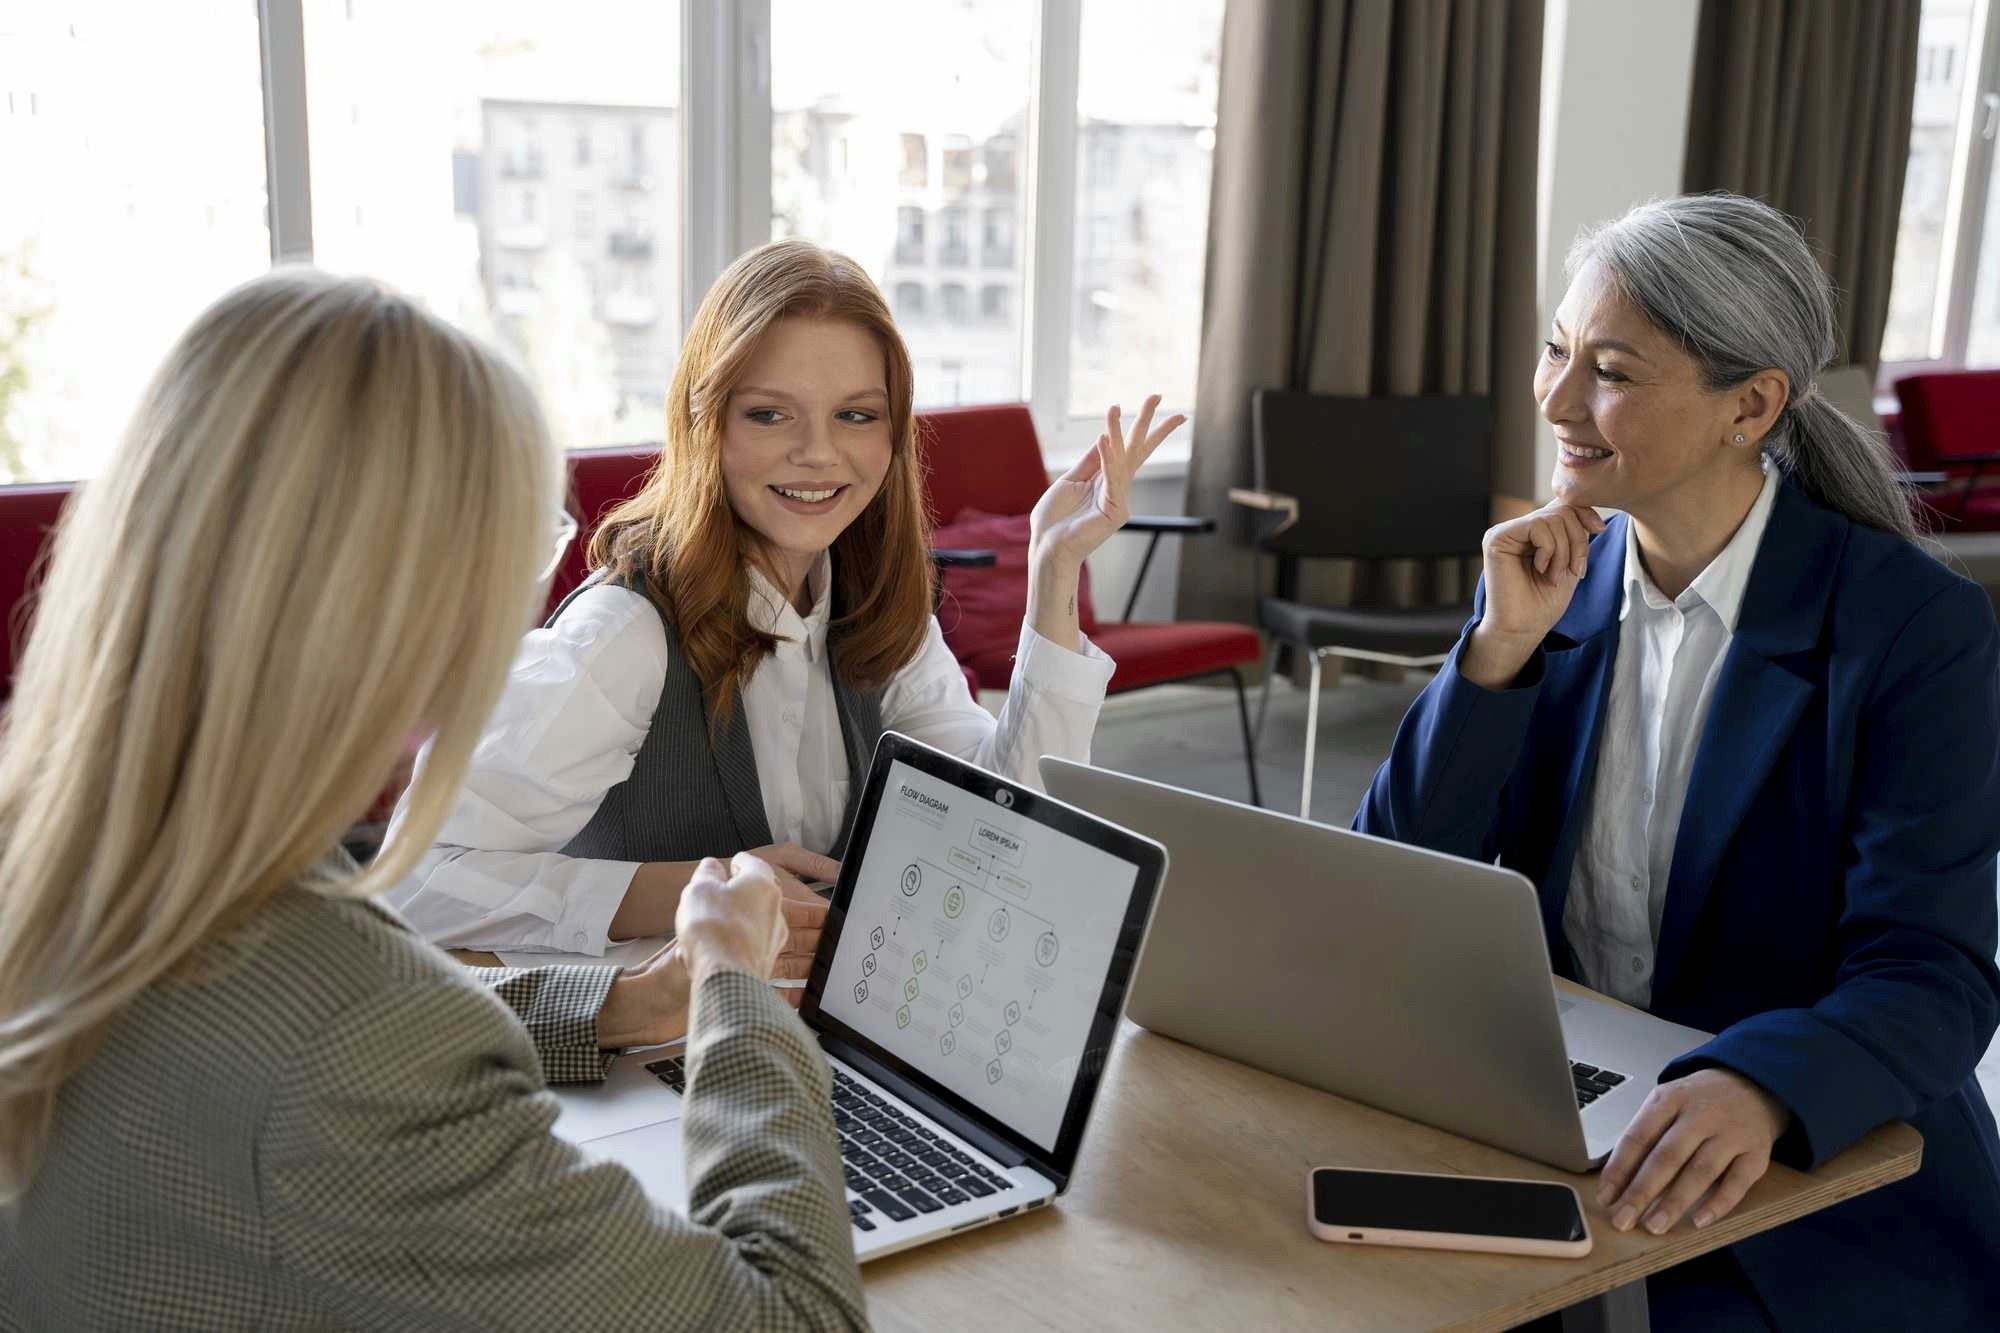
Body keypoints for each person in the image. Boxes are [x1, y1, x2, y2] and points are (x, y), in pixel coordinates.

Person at [0, 269, 867, 1329]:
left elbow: (301, 1023)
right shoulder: (358, 1040)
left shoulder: (64, 856)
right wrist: (736, 998)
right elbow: (801, 1319)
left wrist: (617, 1002)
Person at [1356, 193, 2000, 1330]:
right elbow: (1395, 886)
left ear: (1748, 405)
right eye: (1555, 350)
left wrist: (1759, 1082)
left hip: (1800, 1165)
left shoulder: (1913, 629)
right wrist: (1495, 656)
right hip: (1566, 1125)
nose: (1555, 400)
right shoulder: (1548, 582)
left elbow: (1931, 974)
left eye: (1607, 369)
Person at [386, 238, 1183, 956]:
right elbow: (411, 885)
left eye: (856, 415)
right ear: (707, 424)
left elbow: (1017, 836)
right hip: (656, 1065)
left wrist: (1053, 576)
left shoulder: (877, 611)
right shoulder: (622, 635)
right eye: (769, 413)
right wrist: (700, 891)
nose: (817, 453)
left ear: (892, 435)